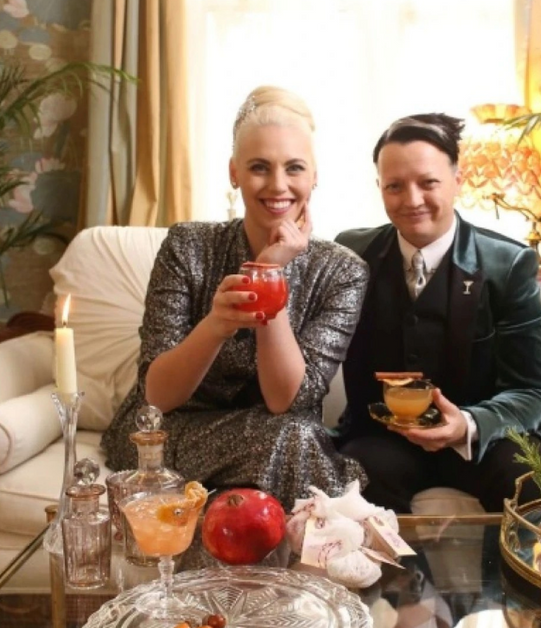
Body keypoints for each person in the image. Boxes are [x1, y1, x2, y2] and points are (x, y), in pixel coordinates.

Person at [101, 86, 368, 509]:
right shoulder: (188, 245)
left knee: (294, 436)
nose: (278, 185)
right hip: (170, 431)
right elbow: (158, 395)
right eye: (259, 167)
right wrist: (217, 325)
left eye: (294, 168)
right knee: (295, 444)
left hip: (278, 435)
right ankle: (314, 556)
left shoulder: (343, 270)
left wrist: (269, 274)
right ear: (234, 172)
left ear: (314, 175)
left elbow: (285, 401)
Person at [334, 112, 541, 514]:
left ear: (458, 181)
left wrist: (468, 424)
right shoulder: (352, 254)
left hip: (486, 438)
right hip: (384, 439)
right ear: (380, 188)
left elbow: (535, 391)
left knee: (524, 473)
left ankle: (505, 580)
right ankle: (402, 580)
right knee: (358, 471)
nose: (412, 200)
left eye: (428, 183)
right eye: (395, 186)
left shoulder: (508, 264)